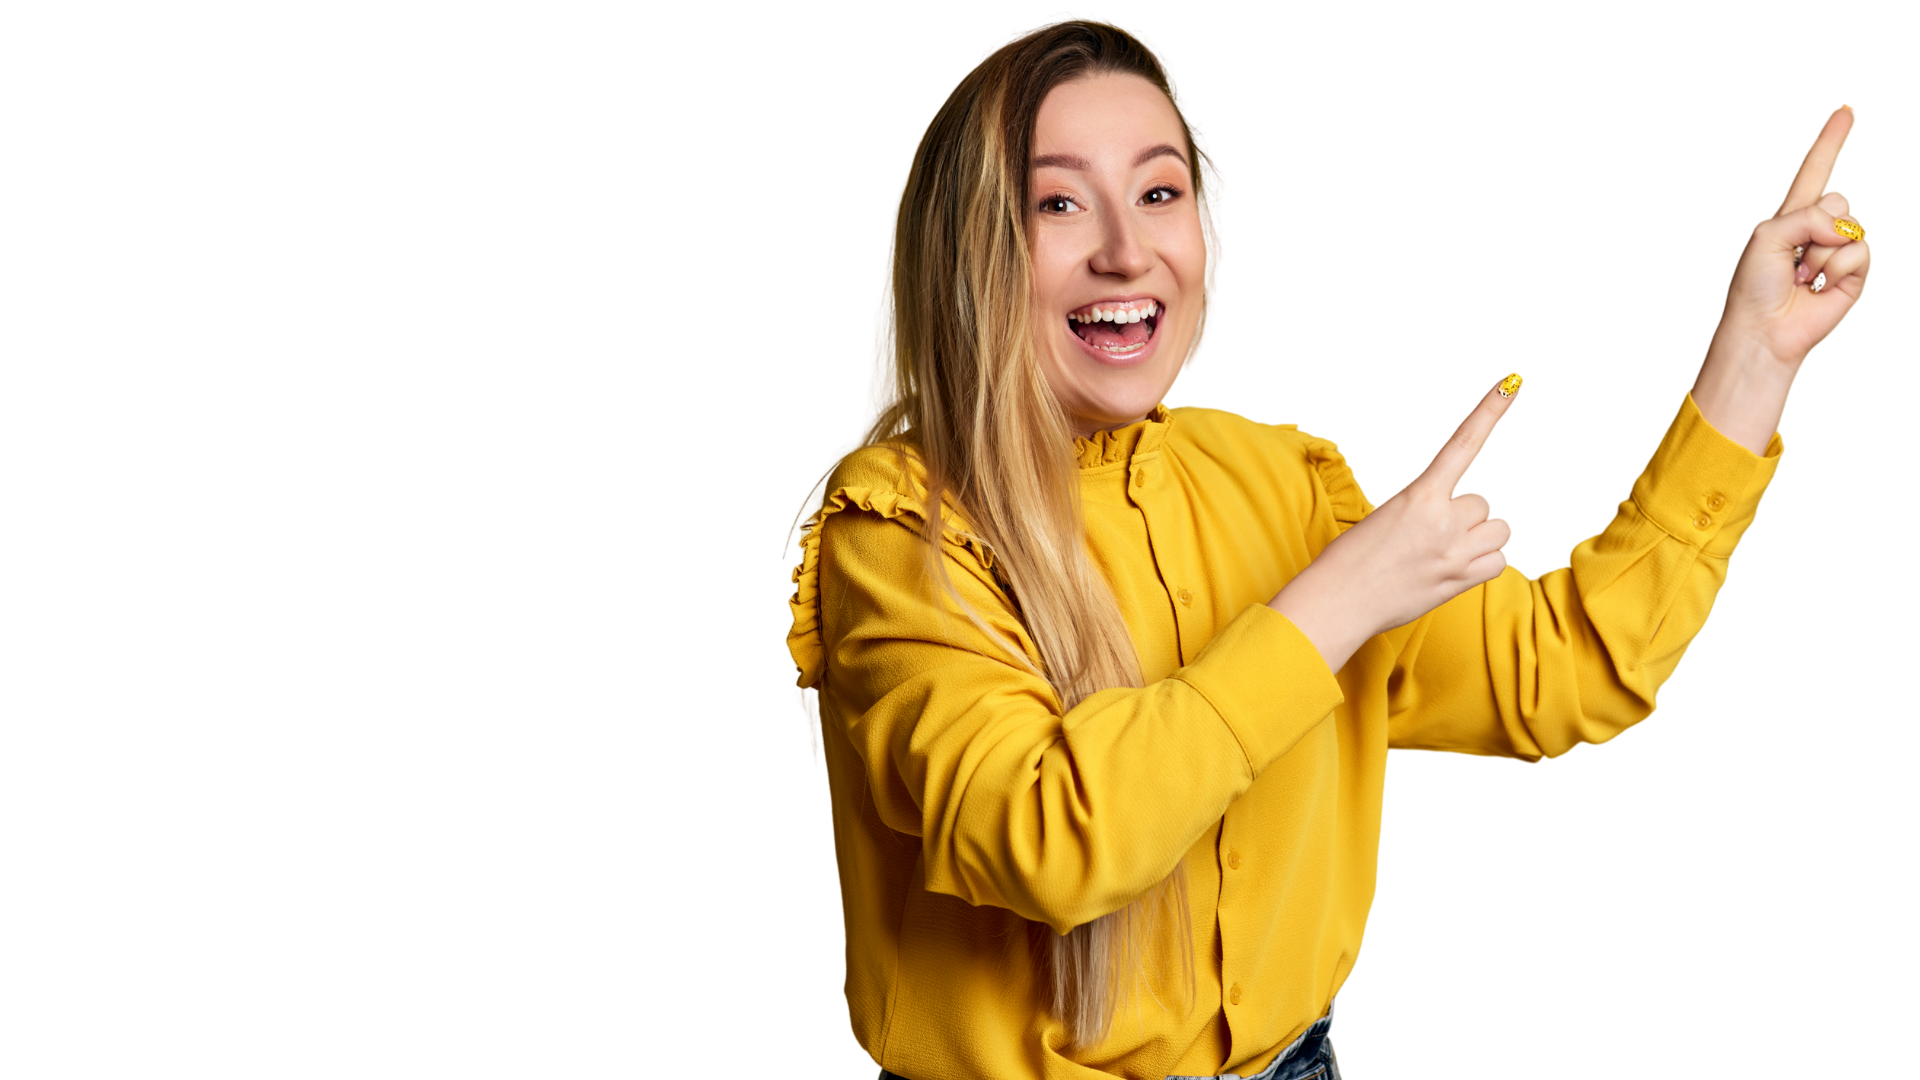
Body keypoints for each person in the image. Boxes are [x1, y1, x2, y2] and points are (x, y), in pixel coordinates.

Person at [783, 15, 1865, 1080]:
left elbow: (1569, 671)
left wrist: (1755, 360)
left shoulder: (1283, 479)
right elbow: (1046, 843)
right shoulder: (892, 533)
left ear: (1209, 233)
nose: (1125, 250)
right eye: (1056, 203)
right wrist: (1334, 604)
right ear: (970, 248)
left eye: (1158, 193)